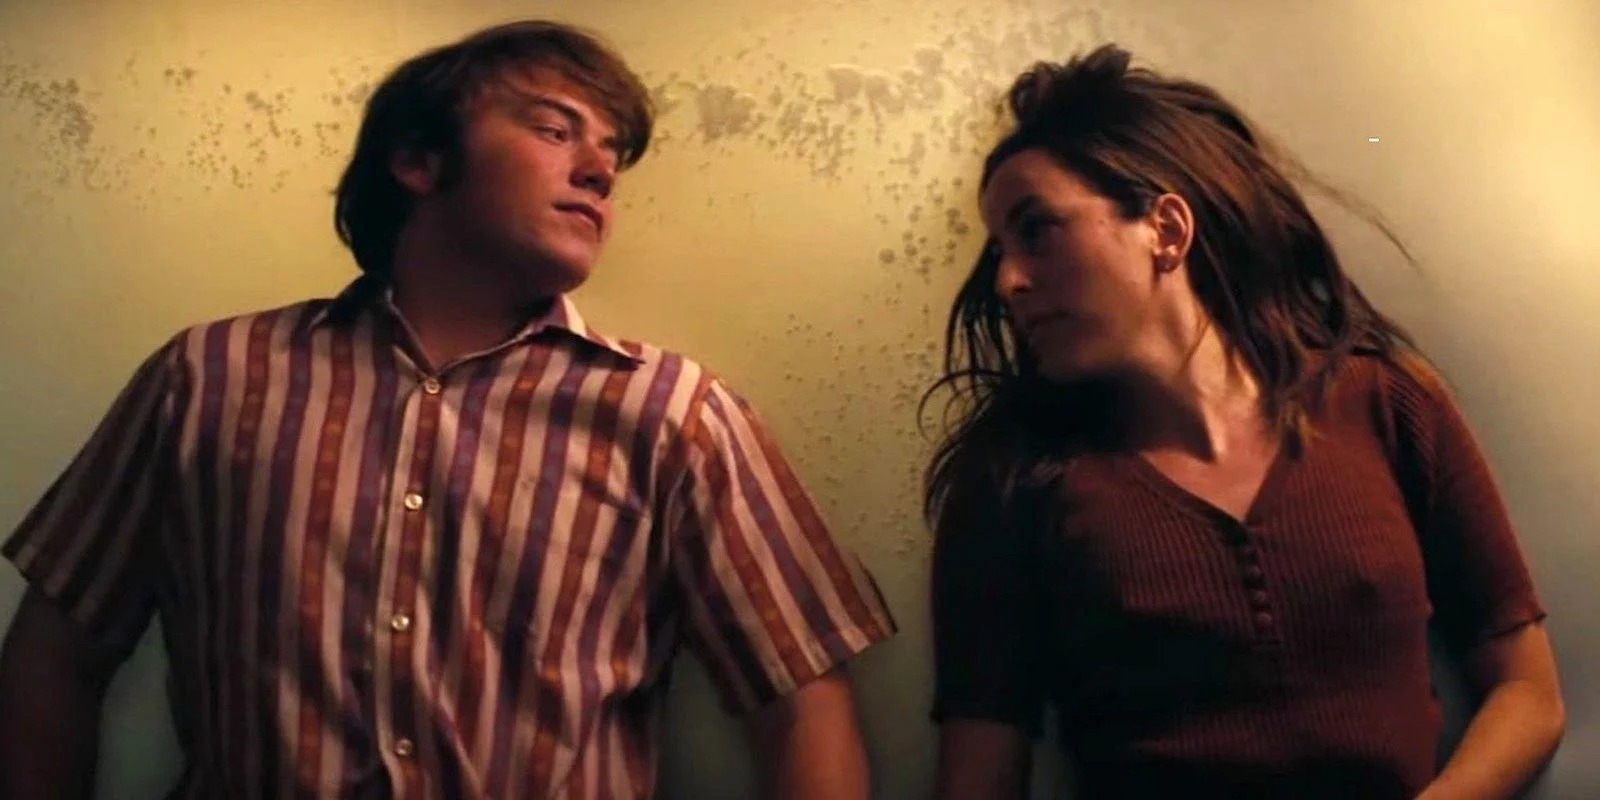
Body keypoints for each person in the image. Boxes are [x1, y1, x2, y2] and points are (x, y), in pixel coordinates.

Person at [0, 20, 894, 800]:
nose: (599, 173)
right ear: (419, 161)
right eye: (556, 130)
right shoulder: (210, 380)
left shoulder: (673, 413)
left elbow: (802, 704)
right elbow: (54, 653)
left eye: (611, 155)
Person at [925, 44, 1563, 799]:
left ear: (1166, 228)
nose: (1007, 281)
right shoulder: (1013, 479)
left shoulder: (1388, 403)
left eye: (1038, 231)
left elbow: (1529, 693)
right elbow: (979, 778)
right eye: (1000, 250)